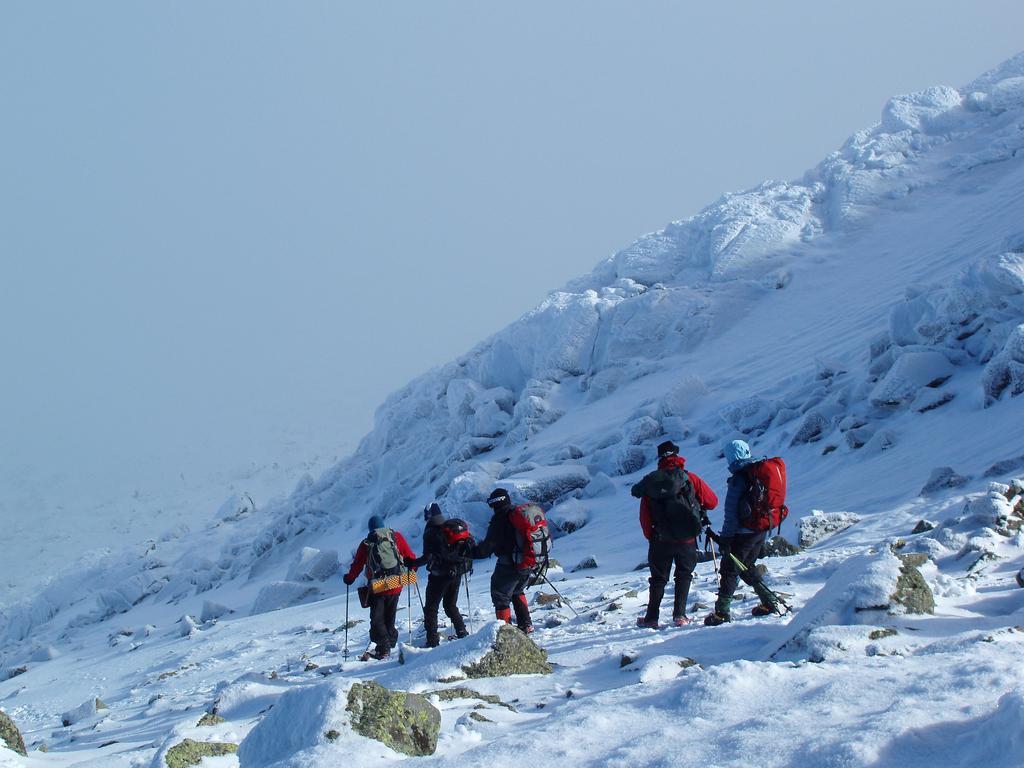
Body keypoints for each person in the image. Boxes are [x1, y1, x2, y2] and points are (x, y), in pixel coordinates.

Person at [631, 440, 719, 628]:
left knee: (658, 579)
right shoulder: (689, 478)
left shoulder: (651, 482)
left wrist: (652, 536)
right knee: (684, 575)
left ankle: (651, 618)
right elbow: (712, 502)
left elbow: (644, 516)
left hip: (660, 540)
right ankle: (680, 615)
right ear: (677, 456)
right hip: (687, 538)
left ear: (659, 458)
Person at [704, 439, 781, 626]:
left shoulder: (739, 479)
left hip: (743, 532)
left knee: (730, 569)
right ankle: (770, 602)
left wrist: (726, 538)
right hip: (761, 528)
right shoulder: (757, 472)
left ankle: (722, 613)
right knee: (746, 564)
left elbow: (731, 513)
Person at [342, 515, 417, 660]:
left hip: (379, 586)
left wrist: (349, 578)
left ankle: (384, 649)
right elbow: (409, 555)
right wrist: (413, 569)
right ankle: (388, 644)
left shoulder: (367, 543)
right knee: (390, 616)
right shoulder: (395, 537)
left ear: (370, 529)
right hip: (397, 583)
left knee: (377, 620)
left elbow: (357, 564)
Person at [470, 488, 541, 634]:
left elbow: (486, 549)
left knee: (500, 596)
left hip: (509, 565)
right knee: (517, 591)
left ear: (493, 504)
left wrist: (470, 552)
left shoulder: (500, 521)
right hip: (527, 562)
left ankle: (506, 633)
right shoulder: (517, 515)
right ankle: (526, 624)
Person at [407, 502, 471, 647]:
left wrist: (413, 563)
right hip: (457, 572)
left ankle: (432, 641)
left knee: (431, 608)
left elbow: (428, 557)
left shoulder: (431, 531)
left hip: (439, 575)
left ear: (428, 515)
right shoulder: (451, 527)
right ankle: (462, 632)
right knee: (450, 605)